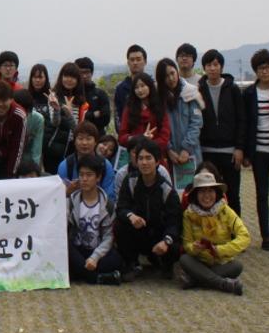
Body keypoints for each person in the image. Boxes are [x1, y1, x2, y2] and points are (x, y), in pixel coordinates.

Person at [115, 139, 181, 280]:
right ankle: (132, 263)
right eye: (140, 158)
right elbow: (121, 207)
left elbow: (174, 222)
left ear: (157, 162)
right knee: (120, 225)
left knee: (174, 244)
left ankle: (166, 265)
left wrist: (166, 241)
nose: (144, 162)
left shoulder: (166, 189)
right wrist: (131, 216)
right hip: (139, 232)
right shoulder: (130, 181)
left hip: (159, 235)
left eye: (148, 158)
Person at [242, 48, 269, 251]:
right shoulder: (249, 93)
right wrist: (246, 153)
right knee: (262, 195)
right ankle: (266, 236)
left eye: (268, 67)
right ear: (256, 71)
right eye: (260, 68)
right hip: (258, 152)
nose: (265, 71)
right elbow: (245, 123)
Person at [179, 171, 250, 294]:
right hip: (199, 262)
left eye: (210, 191)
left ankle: (195, 280)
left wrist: (220, 250)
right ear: (196, 194)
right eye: (202, 191)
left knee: (237, 266)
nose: (207, 196)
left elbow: (245, 237)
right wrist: (195, 248)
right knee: (184, 259)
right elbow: (187, 244)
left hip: (221, 262)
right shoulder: (189, 214)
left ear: (216, 193)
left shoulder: (226, 211)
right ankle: (224, 284)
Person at [197, 49, 245, 215]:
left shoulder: (232, 89)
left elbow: (241, 120)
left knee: (233, 194)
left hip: (230, 152)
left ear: (221, 67)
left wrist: (239, 147)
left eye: (216, 64)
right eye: (208, 65)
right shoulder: (199, 90)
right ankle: (214, 228)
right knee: (211, 195)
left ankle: (235, 228)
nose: (212, 68)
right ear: (204, 68)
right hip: (207, 151)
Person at [66, 154, 123, 285]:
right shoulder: (71, 201)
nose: (84, 179)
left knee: (116, 259)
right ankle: (99, 278)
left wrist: (95, 257)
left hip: (98, 250)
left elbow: (108, 237)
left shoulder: (108, 205)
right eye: (81, 175)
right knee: (67, 251)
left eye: (89, 175)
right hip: (77, 250)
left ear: (98, 177)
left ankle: (85, 274)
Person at [156, 58, 204, 191]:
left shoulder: (191, 92)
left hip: (191, 153)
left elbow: (196, 123)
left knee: (194, 191)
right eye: (166, 76)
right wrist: (169, 149)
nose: (171, 78)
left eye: (172, 73)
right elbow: (159, 126)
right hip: (170, 157)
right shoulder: (159, 98)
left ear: (177, 71)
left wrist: (186, 148)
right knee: (172, 192)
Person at [42, 62, 89, 174]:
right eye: (66, 76)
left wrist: (69, 115)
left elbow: (78, 130)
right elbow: (55, 122)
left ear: (78, 80)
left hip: (72, 150)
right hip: (53, 149)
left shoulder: (81, 102)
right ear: (61, 77)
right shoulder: (54, 96)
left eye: (73, 77)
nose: (69, 80)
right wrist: (57, 109)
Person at [58, 121, 116, 201]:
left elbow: (109, 197)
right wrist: (68, 192)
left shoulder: (105, 166)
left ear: (95, 142)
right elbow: (58, 199)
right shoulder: (65, 166)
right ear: (74, 142)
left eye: (89, 139)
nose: (84, 143)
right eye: (80, 138)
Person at [118, 72, 170, 152]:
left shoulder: (160, 106)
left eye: (142, 86)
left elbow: (164, 137)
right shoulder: (129, 108)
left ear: (150, 86)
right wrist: (138, 138)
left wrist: (148, 145)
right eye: (136, 87)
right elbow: (122, 137)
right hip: (135, 153)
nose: (140, 90)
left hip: (155, 153)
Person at [114, 44, 148, 131]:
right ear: (128, 63)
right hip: (129, 136)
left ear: (145, 61)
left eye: (138, 59)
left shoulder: (153, 86)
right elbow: (118, 117)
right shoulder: (121, 89)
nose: (135, 63)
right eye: (132, 60)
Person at [74, 57, 111, 135]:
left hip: (98, 136)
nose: (84, 76)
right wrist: (94, 114)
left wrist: (85, 116)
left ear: (92, 73)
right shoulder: (72, 94)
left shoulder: (100, 94)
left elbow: (106, 119)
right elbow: (74, 118)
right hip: (76, 137)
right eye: (81, 73)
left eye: (87, 72)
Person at [14, 90, 44, 169]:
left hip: (27, 158)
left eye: (26, 112)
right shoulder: (8, 117)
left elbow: (37, 149)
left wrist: (34, 169)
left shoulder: (38, 119)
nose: (23, 115)